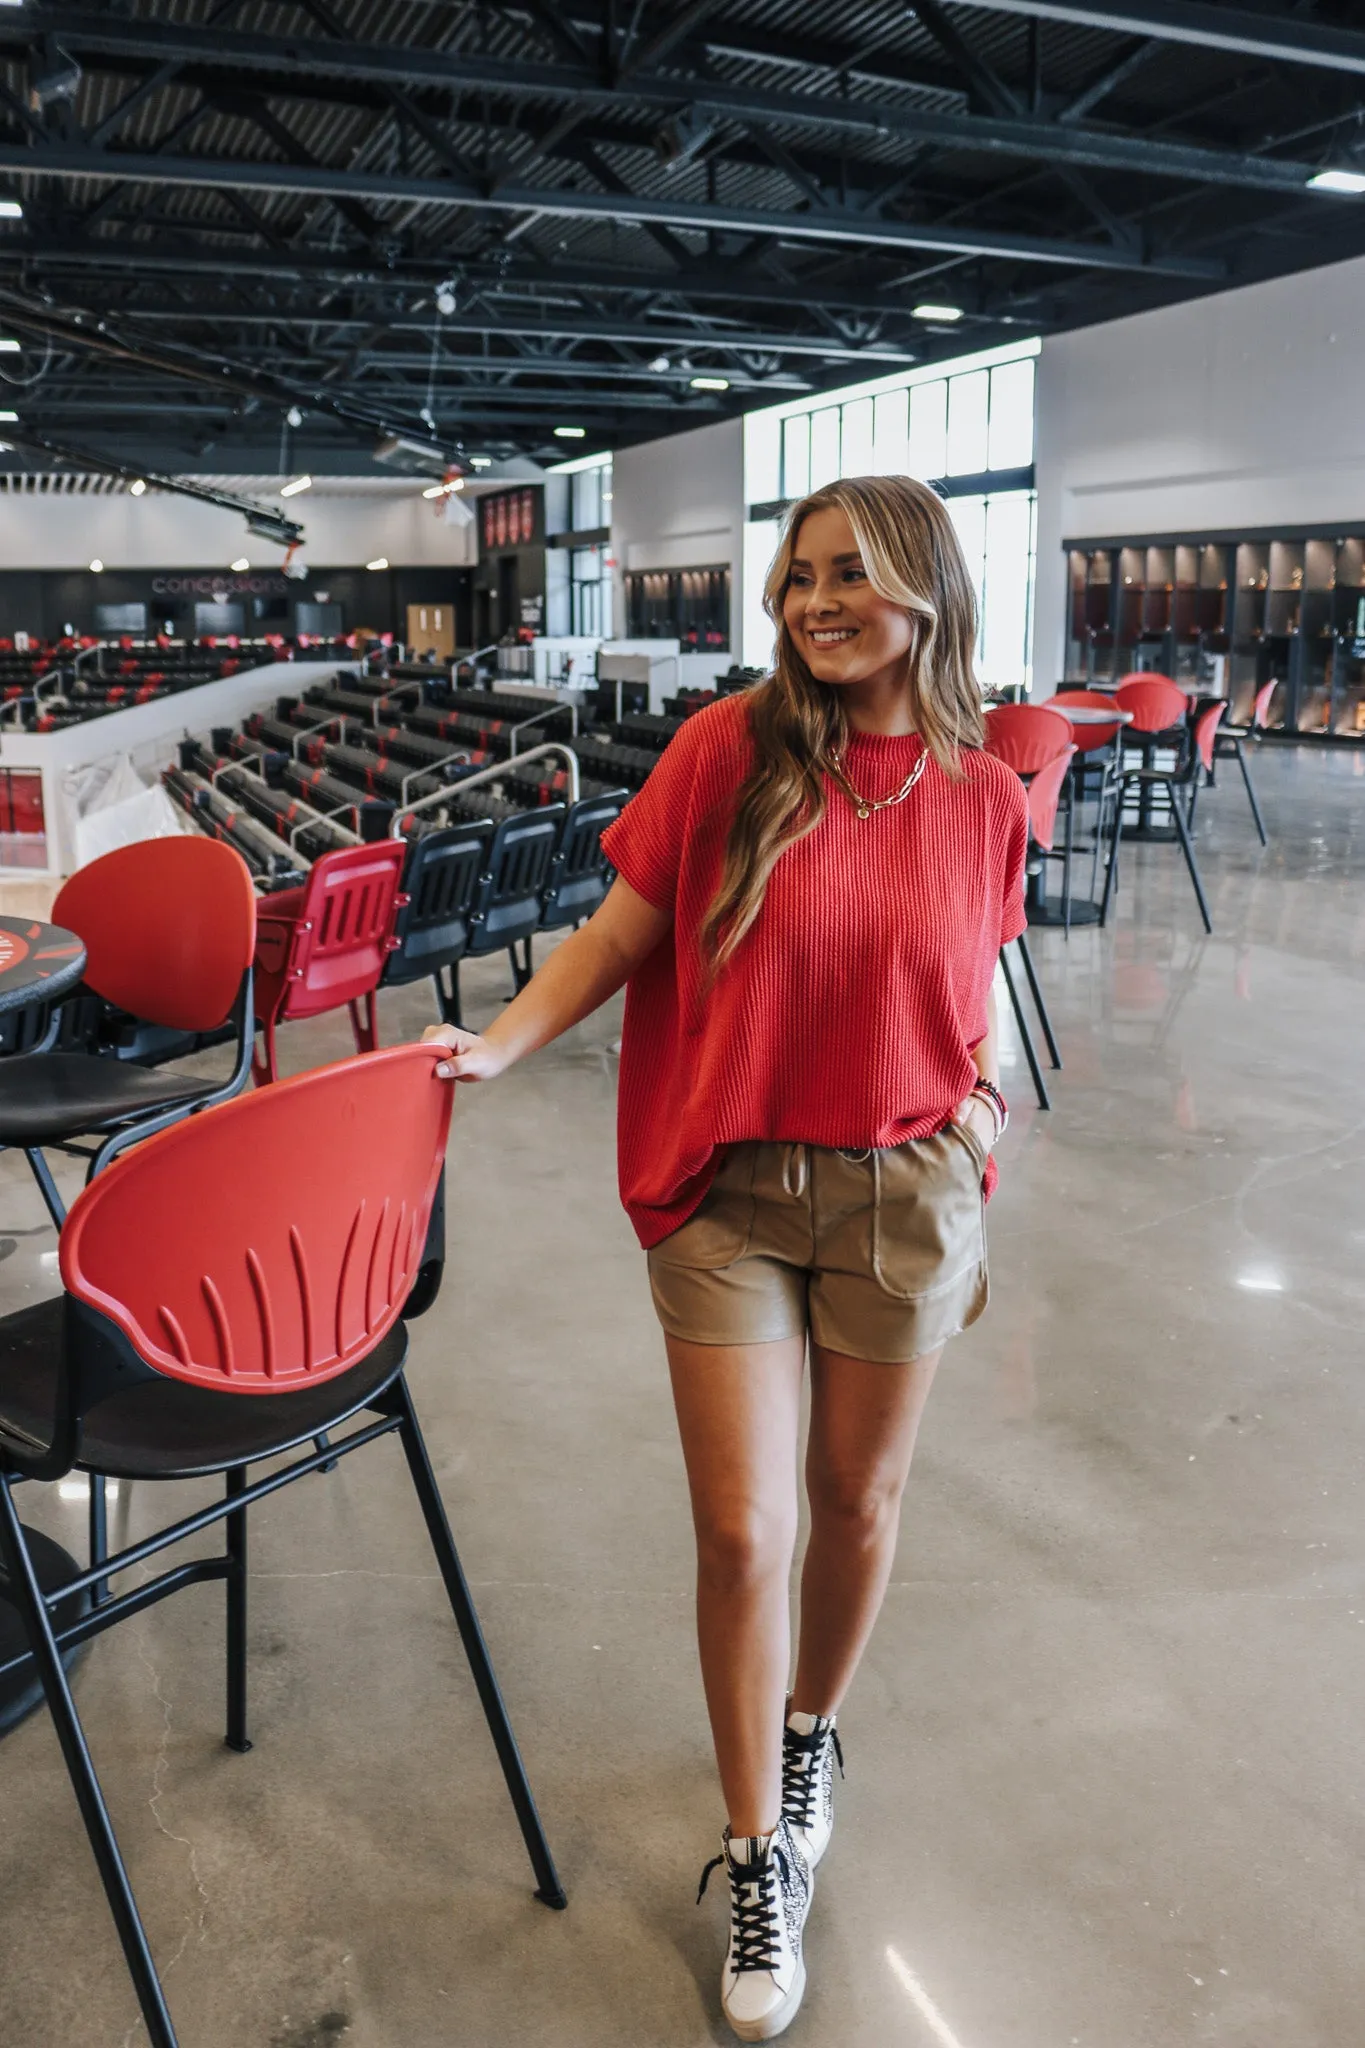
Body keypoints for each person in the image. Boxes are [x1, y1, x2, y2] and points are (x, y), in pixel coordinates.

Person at [422, 474, 1027, 2042]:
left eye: (851, 574)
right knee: (746, 1534)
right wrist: (499, 1047)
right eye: (799, 575)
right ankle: (761, 1849)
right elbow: (620, 935)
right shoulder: (721, 754)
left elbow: (972, 981)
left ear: (927, 588)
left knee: (856, 1503)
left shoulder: (987, 793)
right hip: (727, 1194)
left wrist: (969, 1113)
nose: (817, 601)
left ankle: (815, 1727)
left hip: (905, 1189)